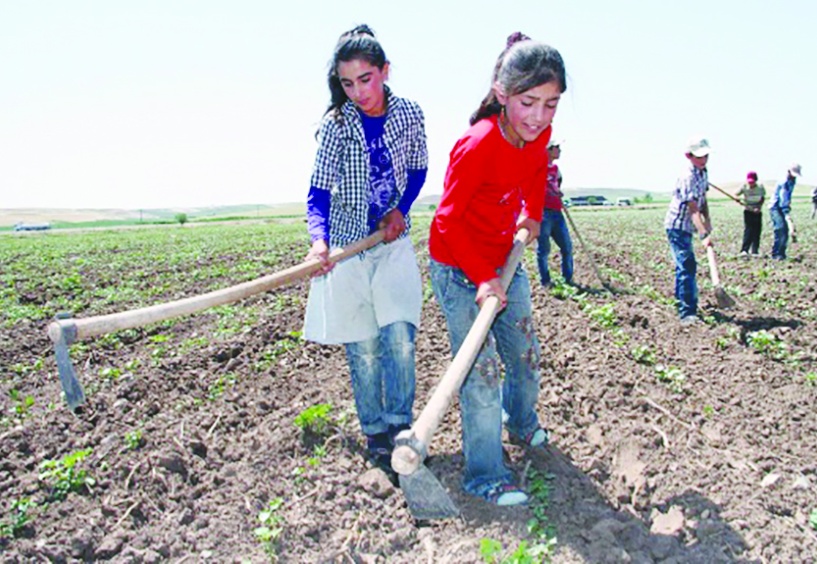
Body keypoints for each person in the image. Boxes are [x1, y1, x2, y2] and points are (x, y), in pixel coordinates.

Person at [428, 32, 565, 506]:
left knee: (524, 353)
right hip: (458, 265)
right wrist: (481, 278)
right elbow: (446, 221)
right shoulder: (478, 143)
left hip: (503, 259)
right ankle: (483, 474)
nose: (539, 116)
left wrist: (530, 212)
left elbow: (532, 173)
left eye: (551, 104)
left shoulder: (538, 135)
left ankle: (522, 425)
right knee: (481, 371)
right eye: (529, 102)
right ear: (503, 95)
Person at [302, 25, 428, 474]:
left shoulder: (410, 115)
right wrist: (320, 242)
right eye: (347, 83)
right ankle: (375, 432)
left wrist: (400, 208)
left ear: (385, 71)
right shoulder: (335, 126)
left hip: (391, 241)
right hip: (348, 246)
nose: (358, 91)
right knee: (364, 346)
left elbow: (417, 169)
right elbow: (318, 193)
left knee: (399, 338)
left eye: (366, 79)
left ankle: (399, 427)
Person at [664, 137, 714, 325]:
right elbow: (693, 208)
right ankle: (687, 313)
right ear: (689, 156)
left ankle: (680, 301)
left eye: (706, 155)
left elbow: (703, 200)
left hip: (687, 225)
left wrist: (707, 221)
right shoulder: (687, 176)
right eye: (699, 156)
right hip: (677, 226)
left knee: (684, 265)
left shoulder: (703, 172)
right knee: (687, 265)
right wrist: (703, 234)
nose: (704, 160)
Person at [536, 140, 574, 286]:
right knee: (544, 249)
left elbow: (558, 183)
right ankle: (545, 281)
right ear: (548, 150)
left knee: (567, 247)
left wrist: (557, 193)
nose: (559, 151)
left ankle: (568, 279)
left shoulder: (556, 169)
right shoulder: (537, 168)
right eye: (557, 148)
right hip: (543, 213)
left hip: (557, 212)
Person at [768, 163, 802, 260]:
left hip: (783, 207)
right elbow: (783, 197)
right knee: (780, 229)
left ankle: (781, 253)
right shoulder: (784, 182)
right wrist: (786, 211)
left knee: (785, 231)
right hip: (776, 207)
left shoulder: (792, 181)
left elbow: (788, 197)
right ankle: (776, 254)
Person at [735, 171, 765, 256]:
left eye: (752, 182)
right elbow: (735, 194)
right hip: (748, 210)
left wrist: (758, 207)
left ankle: (755, 251)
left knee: (757, 231)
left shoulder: (760, 187)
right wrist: (738, 199)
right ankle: (744, 250)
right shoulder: (744, 186)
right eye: (749, 182)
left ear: (756, 181)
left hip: (757, 210)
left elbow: (762, 198)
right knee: (748, 230)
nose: (751, 184)